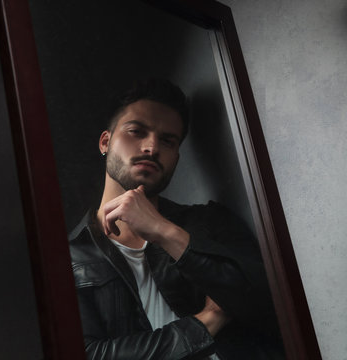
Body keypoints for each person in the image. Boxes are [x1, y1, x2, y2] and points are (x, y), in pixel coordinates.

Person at [68, 79, 283, 359]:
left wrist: (164, 232)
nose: (152, 147)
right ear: (105, 142)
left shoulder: (210, 222)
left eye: (167, 140)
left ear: (176, 157)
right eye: (136, 131)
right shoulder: (71, 258)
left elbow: (273, 308)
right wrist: (207, 320)